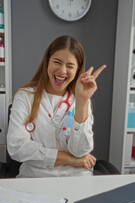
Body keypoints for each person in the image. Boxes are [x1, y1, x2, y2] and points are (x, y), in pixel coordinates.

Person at [7, 35, 106, 178]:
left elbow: (80, 151)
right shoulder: (25, 97)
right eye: (57, 62)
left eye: (70, 66)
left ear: (78, 70)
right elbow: (17, 147)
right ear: (47, 61)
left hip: (76, 176)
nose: (62, 71)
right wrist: (69, 159)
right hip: (35, 177)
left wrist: (82, 102)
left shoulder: (81, 99)